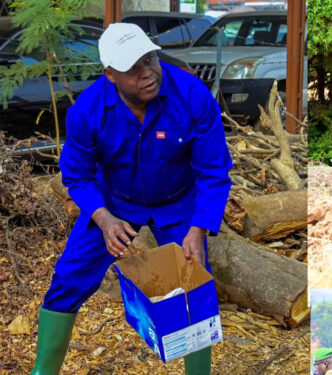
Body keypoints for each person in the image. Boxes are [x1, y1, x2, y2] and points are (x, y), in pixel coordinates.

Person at [30, 23, 232, 375]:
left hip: (179, 202)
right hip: (115, 204)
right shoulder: (88, 112)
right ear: (110, 74)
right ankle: (43, 370)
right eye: (133, 69)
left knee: (194, 288)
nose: (148, 73)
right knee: (67, 278)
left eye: (150, 59)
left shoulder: (191, 95)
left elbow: (214, 170)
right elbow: (77, 175)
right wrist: (104, 219)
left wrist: (199, 228)